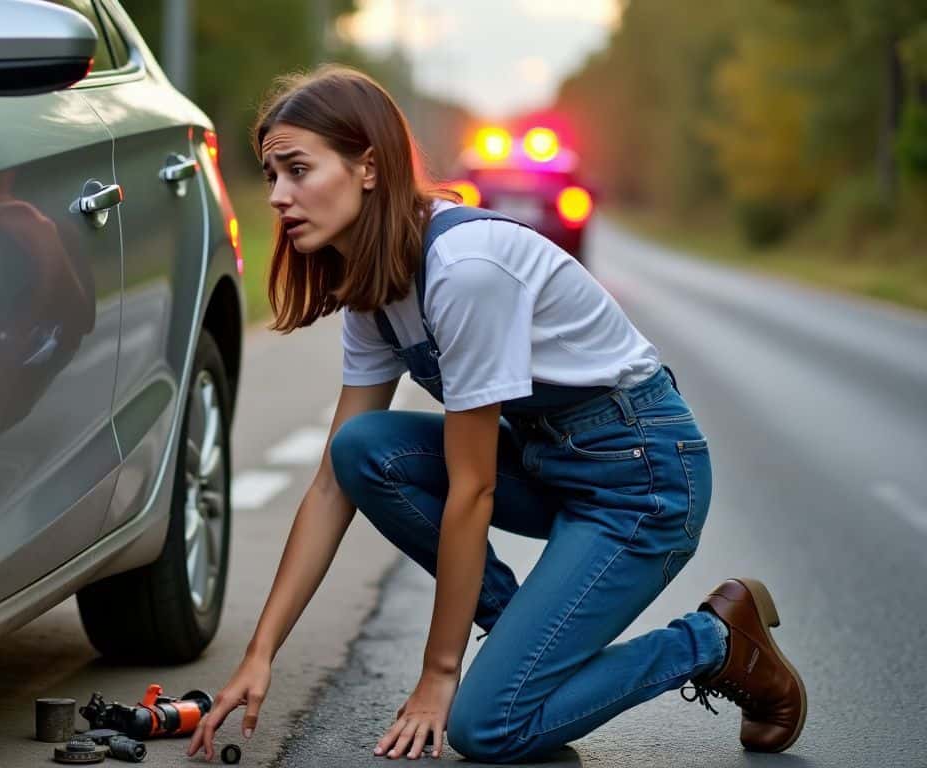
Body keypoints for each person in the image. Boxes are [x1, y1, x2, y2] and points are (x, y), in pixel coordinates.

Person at [186, 65, 807, 763]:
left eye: (298, 171)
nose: (279, 196)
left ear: (367, 166)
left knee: (488, 727)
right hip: (551, 460)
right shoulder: (374, 284)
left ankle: (716, 644)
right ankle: (523, 637)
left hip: (643, 482)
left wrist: (437, 676)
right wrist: (259, 654)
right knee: (362, 449)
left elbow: (472, 488)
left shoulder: (464, 270)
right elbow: (335, 483)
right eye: (270, 176)